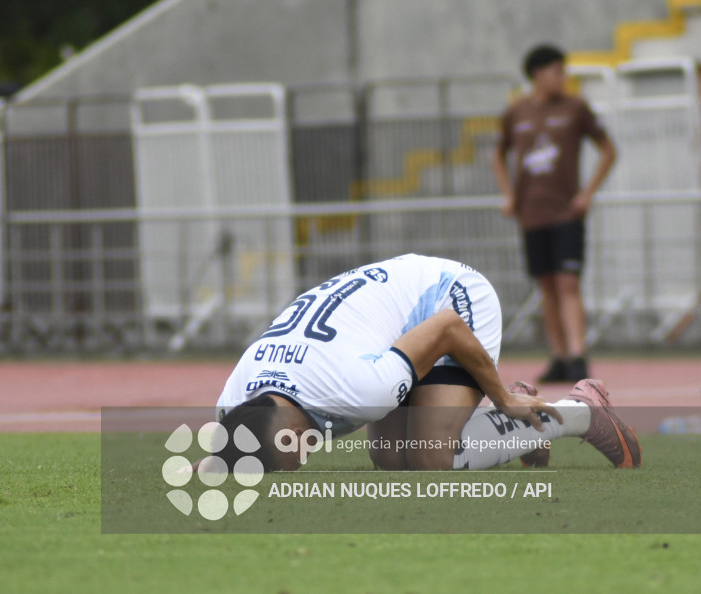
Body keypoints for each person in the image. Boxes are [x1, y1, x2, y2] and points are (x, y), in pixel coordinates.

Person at [214, 254, 640, 472]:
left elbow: (448, 327)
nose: (298, 463)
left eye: (290, 459)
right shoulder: (234, 405)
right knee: (390, 458)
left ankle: (581, 411)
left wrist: (502, 398)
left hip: (447, 299)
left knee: (430, 458)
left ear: (290, 433)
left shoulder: (358, 389)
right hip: (386, 331)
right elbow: (233, 452)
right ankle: (514, 429)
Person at [491, 44, 617, 383]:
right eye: (556, 71)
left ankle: (578, 355)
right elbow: (497, 155)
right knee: (546, 285)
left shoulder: (576, 107)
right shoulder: (516, 112)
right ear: (537, 74)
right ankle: (558, 356)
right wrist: (509, 195)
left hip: (566, 212)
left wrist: (587, 193)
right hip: (532, 214)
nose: (563, 77)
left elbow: (608, 149)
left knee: (568, 282)